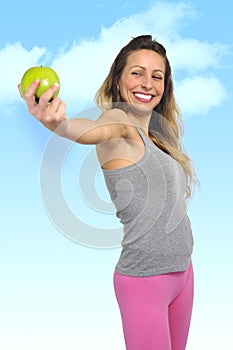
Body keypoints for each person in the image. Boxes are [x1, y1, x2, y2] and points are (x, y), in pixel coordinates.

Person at [19, 35, 198, 350]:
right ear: (118, 80)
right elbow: (90, 130)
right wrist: (59, 124)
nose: (147, 83)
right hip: (146, 282)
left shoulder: (159, 137)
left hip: (184, 274)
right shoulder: (118, 122)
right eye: (137, 72)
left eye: (157, 76)